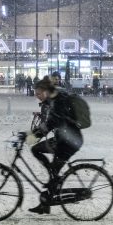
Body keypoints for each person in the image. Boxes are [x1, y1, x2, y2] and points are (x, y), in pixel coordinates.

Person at [25, 76, 83, 215]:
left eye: (39, 93)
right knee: (36, 150)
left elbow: (52, 122)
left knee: (53, 172)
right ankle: (48, 195)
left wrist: (32, 137)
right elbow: (47, 123)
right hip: (61, 139)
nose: (37, 96)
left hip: (70, 141)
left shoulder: (59, 100)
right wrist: (29, 135)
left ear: (46, 91)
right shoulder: (50, 101)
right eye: (36, 94)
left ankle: (49, 195)